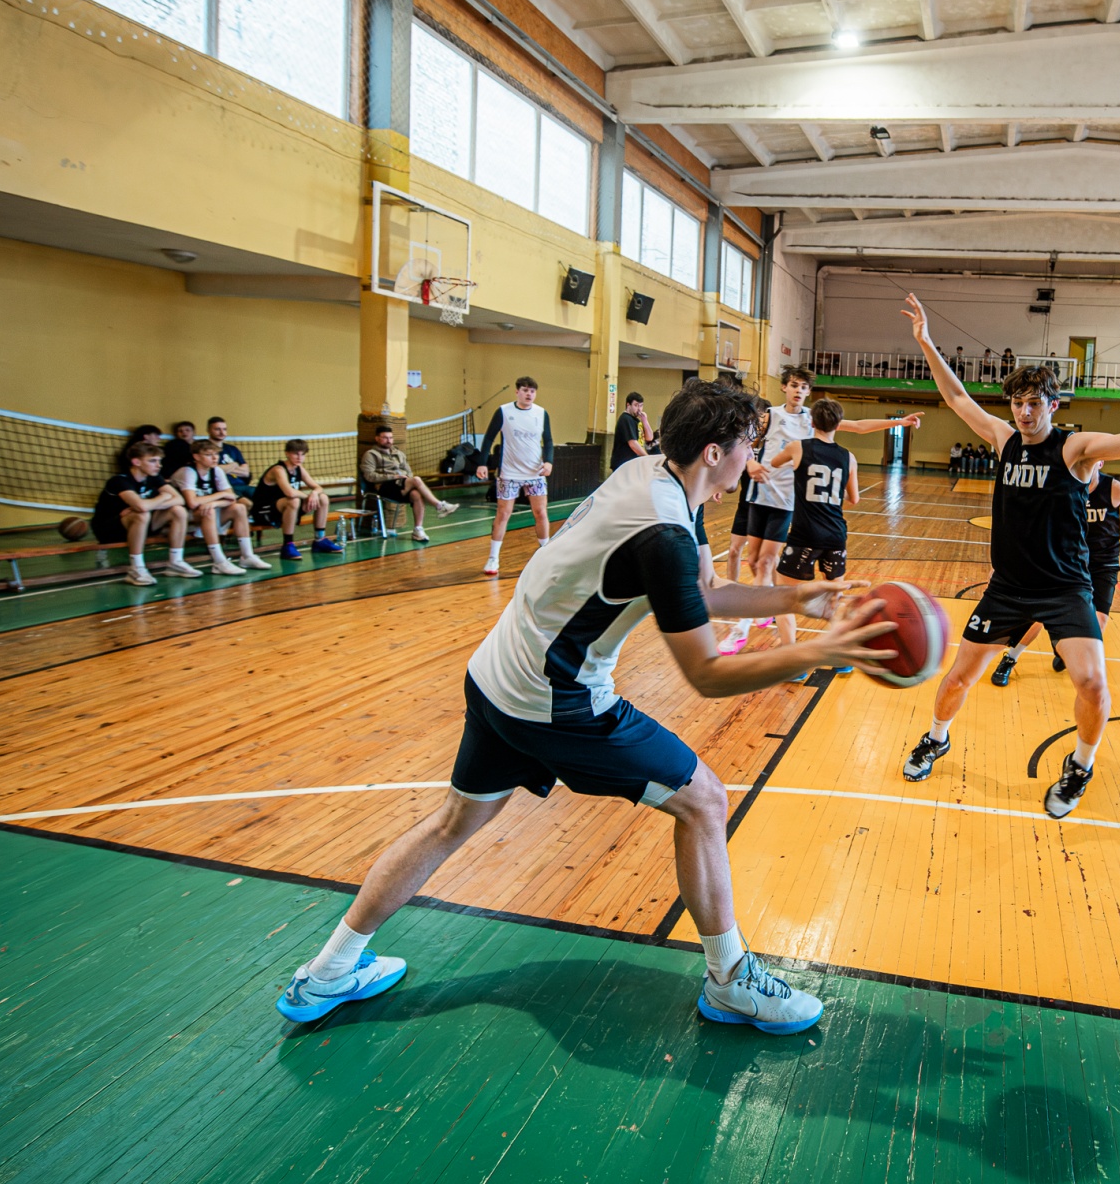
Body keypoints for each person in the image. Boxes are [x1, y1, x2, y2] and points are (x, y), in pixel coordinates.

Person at [275, 380, 897, 1034]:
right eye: (748, 444)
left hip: (496, 673)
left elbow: (707, 590)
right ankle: (731, 981)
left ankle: (328, 970)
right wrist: (819, 652)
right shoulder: (663, 532)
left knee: (452, 822)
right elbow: (707, 673)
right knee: (705, 801)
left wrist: (798, 600)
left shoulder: (654, 474)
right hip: (555, 699)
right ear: (714, 453)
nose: (755, 456)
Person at [898, 293, 1120, 817]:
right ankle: (936, 738)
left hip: (1065, 589)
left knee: (1092, 684)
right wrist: (926, 342)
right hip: (1007, 589)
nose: (1024, 412)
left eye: (1034, 403)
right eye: (1018, 403)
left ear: (1053, 405)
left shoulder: (1075, 449)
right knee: (957, 679)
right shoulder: (1003, 438)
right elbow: (956, 396)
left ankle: (1080, 765)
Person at [719, 368, 917, 655]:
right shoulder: (770, 415)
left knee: (765, 565)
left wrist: (900, 421)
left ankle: (742, 628)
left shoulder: (811, 419)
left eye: (803, 387)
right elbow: (743, 439)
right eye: (794, 385)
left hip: (788, 502)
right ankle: (766, 609)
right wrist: (749, 463)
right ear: (784, 388)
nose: (798, 391)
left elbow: (859, 426)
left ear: (809, 393)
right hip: (760, 495)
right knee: (754, 561)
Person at [990, 460, 1120, 686]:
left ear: (1100, 463)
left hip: (1102, 564)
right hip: (1067, 562)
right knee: (1038, 615)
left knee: (1098, 622)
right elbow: (1037, 522)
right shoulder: (1064, 486)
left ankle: (1065, 651)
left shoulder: (1115, 489)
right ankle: (1010, 658)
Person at [763, 398, 865, 673]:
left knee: (784, 598)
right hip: (835, 535)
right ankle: (840, 659)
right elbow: (854, 498)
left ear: (811, 422)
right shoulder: (848, 457)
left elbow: (774, 461)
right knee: (834, 599)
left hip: (805, 534)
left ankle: (793, 665)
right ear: (839, 425)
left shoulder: (799, 447)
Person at [478, 378, 556, 578]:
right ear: (517, 392)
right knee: (503, 514)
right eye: (525, 390)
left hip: (535, 474)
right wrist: (482, 463)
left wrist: (548, 461)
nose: (529, 394)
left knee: (540, 512)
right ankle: (493, 558)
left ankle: (546, 554)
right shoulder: (504, 411)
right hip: (509, 474)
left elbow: (548, 440)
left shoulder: (541, 413)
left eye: (532, 391)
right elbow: (489, 438)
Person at [91, 441, 195, 587]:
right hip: (109, 529)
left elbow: (179, 499)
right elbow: (141, 506)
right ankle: (136, 569)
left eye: (159, 461)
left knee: (178, 510)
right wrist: (163, 497)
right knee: (142, 514)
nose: (158, 465)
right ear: (137, 462)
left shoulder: (154, 477)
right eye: (152, 461)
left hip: (140, 524)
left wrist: (150, 504)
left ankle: (176, 562)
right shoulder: (120, 480)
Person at [170, 440, 271, 575]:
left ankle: (247, 556)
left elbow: (231, 497)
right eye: (208, 455)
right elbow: (192, 502)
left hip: (205, 511)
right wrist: (220, 495)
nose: (214, 458)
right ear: (196, 457)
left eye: (216, 454)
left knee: (239, 508)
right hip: (182, 516)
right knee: (209, 511)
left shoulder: (216, 470)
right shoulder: (188, 472)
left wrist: (215, 503)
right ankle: (219, 562)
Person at [361, 425, 458, 542]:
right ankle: (439, 506)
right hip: (384, 486)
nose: (389, 441)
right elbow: (369, 476)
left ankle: (418, 530)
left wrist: (407, 479)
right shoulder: (370, 455)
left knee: (416, 494)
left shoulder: (399, 453)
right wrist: (393, 476)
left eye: (391, 438)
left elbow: (408, 471)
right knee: (416, 480)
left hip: (401, 484)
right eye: (385, 438)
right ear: (377, 438)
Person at [251, 440, 342, 560]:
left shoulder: (299, 468)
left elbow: (318, 487)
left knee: (323, 498)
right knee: (294, 500)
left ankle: (319, 540)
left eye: (303, 454)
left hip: (284, 509)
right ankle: (287, 545)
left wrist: (314, 493)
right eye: (296, 454)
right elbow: (289, 492)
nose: (299, 458)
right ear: (287, 453)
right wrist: (308, 496)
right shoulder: (278, 469)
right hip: (264, 511)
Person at [206, 416, 255, 499]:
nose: (222, 432)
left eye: (224, 429)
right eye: (217, 429)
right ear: (209, 430)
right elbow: (211, 470)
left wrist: (223, 468)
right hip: (225, 488)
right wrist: (234, 464)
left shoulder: (233, 449)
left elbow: (246, 472)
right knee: (246, 503)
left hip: (242, 485)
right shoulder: (205, 449)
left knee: (267, 497)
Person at [612, 392, 654, 471]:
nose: (639, 409)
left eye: (641, 405)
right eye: (636, 405)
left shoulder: (636, 420)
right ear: (628, 405)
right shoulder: (626, 419)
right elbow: (633, 443)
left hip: (633, 463)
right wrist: (647, 458)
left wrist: (645, 421)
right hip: (623, 464)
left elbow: (649, 438)